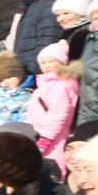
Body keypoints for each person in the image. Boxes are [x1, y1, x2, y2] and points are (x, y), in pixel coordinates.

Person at [27, 42, 81, 170]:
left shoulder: (62, 85)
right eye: (43, 63)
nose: (47, 66)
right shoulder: (46, 84)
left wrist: (44, 140)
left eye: (51, 61)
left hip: (51, 141)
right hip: (37, 136)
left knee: (50, 175)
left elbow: (57, 117)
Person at [8, 0, 66, 69]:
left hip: (41, 72)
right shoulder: (28, 5)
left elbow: (49, 39)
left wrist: (32, 69)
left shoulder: (48, 3)